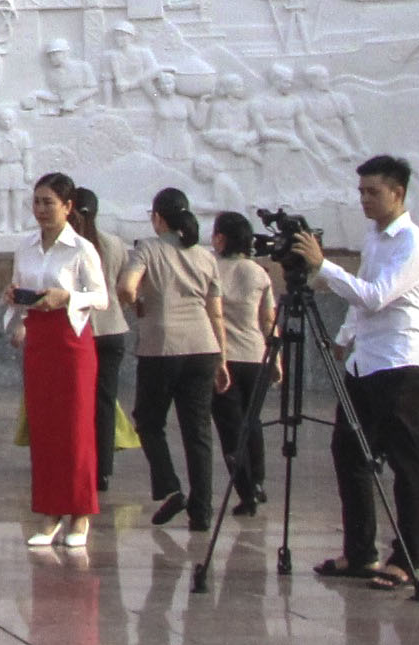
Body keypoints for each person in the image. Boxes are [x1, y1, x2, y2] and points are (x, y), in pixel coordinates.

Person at [286, 154, 419, 589]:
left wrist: (322, 265)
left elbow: (376, 296)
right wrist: (345, 335)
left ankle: (406, 559)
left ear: (398, 193)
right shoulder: (375, 238)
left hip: (398, 362)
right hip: (365, 361)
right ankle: (359, 552)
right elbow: (362, 295)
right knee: (349, 452)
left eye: (373, 192)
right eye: (361, 192)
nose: (365, 200)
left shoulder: (412, 242)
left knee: (405, 463)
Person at [5, 172, 108, 549]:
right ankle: (49, 513)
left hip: (72, 342)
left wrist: (66, 298)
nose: (41, 210)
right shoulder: (26, 246)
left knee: (76, 430)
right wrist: (15, 298)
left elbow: (101, 297)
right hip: (40, 342)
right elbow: (19, 286)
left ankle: (80, 514)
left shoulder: (81, 248)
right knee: (45, 430)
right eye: (37, 202)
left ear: (67, 207)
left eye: (49, 203)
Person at [118, 185, 229, 532]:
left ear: (157, 218)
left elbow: (125, 286)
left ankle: (169, 486)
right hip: (204, 347)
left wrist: (137, 302)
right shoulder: (205, 256)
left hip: (162, 346)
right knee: (197, 431)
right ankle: (202, 510)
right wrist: (222, 360)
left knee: (149, 420)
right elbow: (217, 313)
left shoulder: (148, 249)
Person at [210, 211, 276, 517]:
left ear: (221, 238)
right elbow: (268, 320)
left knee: (229, 428)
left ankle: (245, 490)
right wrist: (278, 359)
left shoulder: (211, 269)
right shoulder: (258, 272)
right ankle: (259, 482)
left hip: (224, 357)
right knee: (253, 422)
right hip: (256, 355)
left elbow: (212, 314)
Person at [72, 187, 134, 494]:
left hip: (82, 332)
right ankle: (103, 470)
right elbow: (124, 285)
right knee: (105, 402)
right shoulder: (114, 244)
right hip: (113, 329)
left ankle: (79, 462)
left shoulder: (72, 246)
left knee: (77, 402)